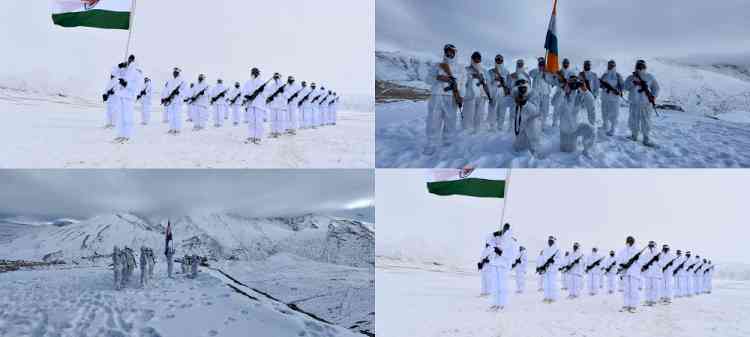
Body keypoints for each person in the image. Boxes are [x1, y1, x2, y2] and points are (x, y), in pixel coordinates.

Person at [424, 44, 464, 155]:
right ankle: (431, 144)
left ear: (455, 53)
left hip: (452, 97)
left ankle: (448, 143)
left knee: (450, 121)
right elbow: (427, 80)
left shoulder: (461, 68)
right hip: (437, 96)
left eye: (452, 51)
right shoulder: (437, 66)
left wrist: (461, 96)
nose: (449, 53)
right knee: (433, 121)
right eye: (447, 51)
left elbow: (462, 84)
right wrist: (438, 77)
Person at [551, 75, 596, 156]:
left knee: (592, 130)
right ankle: (568, 143)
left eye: (575, 82)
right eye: (571, 82)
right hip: (565, 131)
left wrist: (586, 90)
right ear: (567, 82)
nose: (573, 85)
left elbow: (591, 103)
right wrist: (563, 91)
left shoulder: (579, 95)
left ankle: (586, 150)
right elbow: (554, 103)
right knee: (568, 151)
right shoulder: (562, 93)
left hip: (576, 127)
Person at [624, 60, 660, 147]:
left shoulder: (649, 77)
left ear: (644, 67)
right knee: (633, 120)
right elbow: (626, 87)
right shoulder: (631, 77)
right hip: (634, 103)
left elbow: (656, 88)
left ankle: (646, 138)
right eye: (638, 66)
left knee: (646, 121)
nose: (640, 68)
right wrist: (634, 82)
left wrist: (653, 97)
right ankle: (634, 135)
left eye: (641, 66)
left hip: (646, 103)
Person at [488, 223, 519, 311]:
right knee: (495, 286)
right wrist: (494, 234)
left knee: (502, 286)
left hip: (504, 266)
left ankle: (502, 304)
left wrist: (501, 253)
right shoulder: (499, 238)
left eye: (506, 228)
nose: (504, 229)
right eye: (504, 228)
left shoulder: (513, 241)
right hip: (495, 264)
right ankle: (495, 303)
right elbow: (489, 242)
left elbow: (513, 255)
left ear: (509, 229)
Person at [510, 79, 542, 156]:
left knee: (533, 137)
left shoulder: (533, 93)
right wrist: (516, 100)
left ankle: (536, 153)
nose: (522, 89)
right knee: (518, 146)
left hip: (532, 121)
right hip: (521, 121)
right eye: (519, 87)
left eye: (523, 87)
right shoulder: (515, 93)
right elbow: (512, 110)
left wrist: (525, 103)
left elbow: (536, 111)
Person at [616, 236, 648, 313]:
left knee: (634, 290)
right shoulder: (622, 251)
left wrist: (637, 260)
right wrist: (622, 265)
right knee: (626, 290)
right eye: (628, 241)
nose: (629, 242)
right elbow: (618, 260)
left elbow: (642, 262)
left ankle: (633, 306)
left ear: (633, 242)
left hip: (634, 273)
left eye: (631, 241)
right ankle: (625, 305)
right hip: (625, 273)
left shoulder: (637, 251)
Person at [462, 52, 491, 134]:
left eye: (478, 58)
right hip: (470, 95)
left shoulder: (484, 71)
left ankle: (478, 130)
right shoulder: (466, 69)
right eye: (475, 58)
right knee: (468, 115)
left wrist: (489, 95)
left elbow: (488, 83)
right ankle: (466, 131)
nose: (477, 59)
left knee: (480, 115)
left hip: (482, 95)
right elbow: (462, 83)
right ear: (472, 58)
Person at [242, 67, 271, 144]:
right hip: (250, 104)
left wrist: (261, 92)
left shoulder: (262, 82)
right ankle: (251, 136)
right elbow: (244, 92)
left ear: (258, 73)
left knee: (258, 121)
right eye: (253, 72)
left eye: (256, 72)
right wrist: (246, 96)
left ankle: (258, 137)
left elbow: (267, 93)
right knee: (251, 121)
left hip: (259, 104)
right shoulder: (248, 82)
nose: (254, 73)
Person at [112, 61, 138, 143]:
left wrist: (126, 84)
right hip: (121, 97)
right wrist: (118, 66)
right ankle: (120, 135)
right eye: (129, 59)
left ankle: (127, 136)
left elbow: (136, 87)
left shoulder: (136, 74)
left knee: (127, 118)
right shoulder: (124, 71)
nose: (129, 61)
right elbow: (114, 74)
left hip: (128, 98)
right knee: (120, 118)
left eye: (131, 59)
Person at [529, 57, 557, 131]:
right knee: (536, 110)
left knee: (545, 111)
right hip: (536, 94)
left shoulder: (548, 72)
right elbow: (530, 74)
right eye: (540, 64)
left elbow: (552, 82)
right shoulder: (535, 71)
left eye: (543, 64)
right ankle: (535, 125)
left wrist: (546, 75)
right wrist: (539, 71)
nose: (541, 65)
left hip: (545, 94)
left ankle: (542, 125)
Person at [599, 60, 625, 136]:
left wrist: (617, 91)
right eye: (609, 65)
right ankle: (605, 126)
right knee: (604, 113)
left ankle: (613, 129)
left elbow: (623, 86)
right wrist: (603, 85)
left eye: (612, 65)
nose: (610, 66)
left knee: (614, 114)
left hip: (614, 99)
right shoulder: (604, 75)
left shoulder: (618, 75)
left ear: (614, 66)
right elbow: (600, 85)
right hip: (605, 98)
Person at [487, 54, 511, 131]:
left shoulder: (506, 72)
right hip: (493, 90)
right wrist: (494, 79)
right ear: (495, 60)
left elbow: (508, 83)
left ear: (502, 61)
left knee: (502, 109)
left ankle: (500, 126)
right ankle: (492, 125)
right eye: (497, 60)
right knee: (492, 109)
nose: (499, 61)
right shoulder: (490, 71)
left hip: (502, 91)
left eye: (500, 60)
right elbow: (488, 82)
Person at [162, 68, 185, 134]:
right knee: (171, 115)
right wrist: (166, 98)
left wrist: (179, 92)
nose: (174, 73)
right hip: (171, 101)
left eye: (176, 72)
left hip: (177, 101)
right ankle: (171, 128)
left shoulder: (182, 81)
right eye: (174, 72)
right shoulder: (170, 81)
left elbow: (185, 91)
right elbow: (167, 90)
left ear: (178, 73)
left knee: (177, 115)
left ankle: (177, 129)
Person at [538, 236, 560, 303]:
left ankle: (553, 298)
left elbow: (560, 260)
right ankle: (546, 297)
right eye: (549, 241)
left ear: (554, 241)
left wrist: (554, 261)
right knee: (546, 284)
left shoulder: (557, 250)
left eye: (551, 241)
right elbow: (542, 259)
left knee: (552, 284)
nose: (549, 242)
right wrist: (540, 267)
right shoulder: (545, 249)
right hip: (546, 270)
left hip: (553, 270)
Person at [579, 60, 600, 125]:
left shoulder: (594, 75)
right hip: (582, 97)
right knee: (582, 114)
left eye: (588, 65)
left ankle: (592, 126)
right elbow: (578, 85)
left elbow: (597, 87)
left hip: (591, 96)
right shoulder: (580, 74)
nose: (587, 66)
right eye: (586, 64)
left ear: (590, 66)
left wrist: (595, 95)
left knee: (592, 113)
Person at [640, 241, 661, 306]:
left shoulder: (658, 253)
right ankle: (648, 300)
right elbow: (643, 262)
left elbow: (662, 264)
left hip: (655, 273)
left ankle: (654, 301)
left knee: (655, 288)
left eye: (652, 245)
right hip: (648, 273)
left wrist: (658, 261)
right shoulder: (646, 253)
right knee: (647, 288)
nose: (651, 247)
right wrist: (644, 267)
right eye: (650, 245)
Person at [266, 73, 286, 138]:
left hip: (280, 104)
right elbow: (269, 94)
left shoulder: (282, 85)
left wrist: (282, 93)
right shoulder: (271, 85)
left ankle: (279, 131)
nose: (276, 78)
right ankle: (273, 131)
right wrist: (269, 98)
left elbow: (286, 95)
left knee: (280, 119)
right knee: (273, 119)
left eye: (277, 77)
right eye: (275, 77)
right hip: (273, 104)